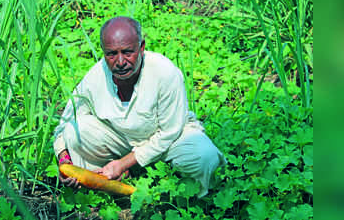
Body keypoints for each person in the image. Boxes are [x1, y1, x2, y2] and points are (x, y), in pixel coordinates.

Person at [53, 16, 226, 197]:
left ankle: (188, 196)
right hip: (121, 141)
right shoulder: (94, 78)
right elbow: (63, 125)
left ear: (141, 47)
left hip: (169, 141)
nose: (120, 62)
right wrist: (65, 163)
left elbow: (169, 133)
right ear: (103, 52)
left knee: (205, 156)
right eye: (111, 54)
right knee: (75, 131)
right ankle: (102, 184)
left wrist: (123, 163)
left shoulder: (164, 73)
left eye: (127, 52)